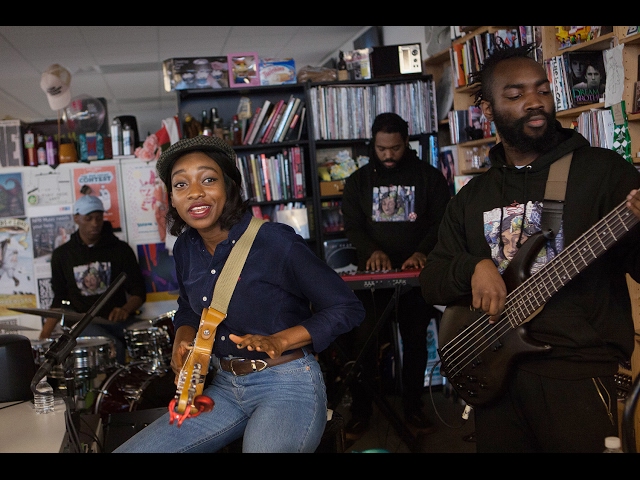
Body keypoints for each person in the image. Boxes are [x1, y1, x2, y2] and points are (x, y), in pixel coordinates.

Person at [420, 42, 640, 453]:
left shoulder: (603, 172)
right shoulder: (472, 197)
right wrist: (473, 267)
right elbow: (432, 281)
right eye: (516, 94)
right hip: (493, 370)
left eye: (542, 89)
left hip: (578, 372)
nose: (535, 102)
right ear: (486, 109)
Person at [113, 135, 365, 453]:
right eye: (181, 185)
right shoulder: (185, 248)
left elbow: (346, 307)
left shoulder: (276, 242)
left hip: (287, 383)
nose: (195, 193)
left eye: (208, 179)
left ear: (230, 187)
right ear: (172, 199)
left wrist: (280, 340)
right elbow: (189, 307)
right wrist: (182, 335)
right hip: (223, 386)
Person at [338, 112, 451, 440]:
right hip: (373, 280)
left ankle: (414, 407)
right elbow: (353, 226)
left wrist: (422, 252)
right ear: (373, 144)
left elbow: (442, 220)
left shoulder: (429, 177)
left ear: (407, 143)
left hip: (415, 277)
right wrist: (371, 250)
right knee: (364, 344)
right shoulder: (358, 181)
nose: (388, 155)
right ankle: (361, 412)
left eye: (396, 148)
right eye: (382, 148)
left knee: (415, 342)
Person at [39, 195, 147, 365]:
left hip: (117, 320)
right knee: (113, 346)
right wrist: (44, 337)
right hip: (82, 323)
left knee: (149, 337)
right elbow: (59, 298)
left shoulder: (121, 249)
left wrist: (125, 309)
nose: (95, 223)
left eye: (98, 218)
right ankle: (111, 390)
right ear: (76, 218)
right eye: (88, 218)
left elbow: (138, 292)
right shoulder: (63, 255)